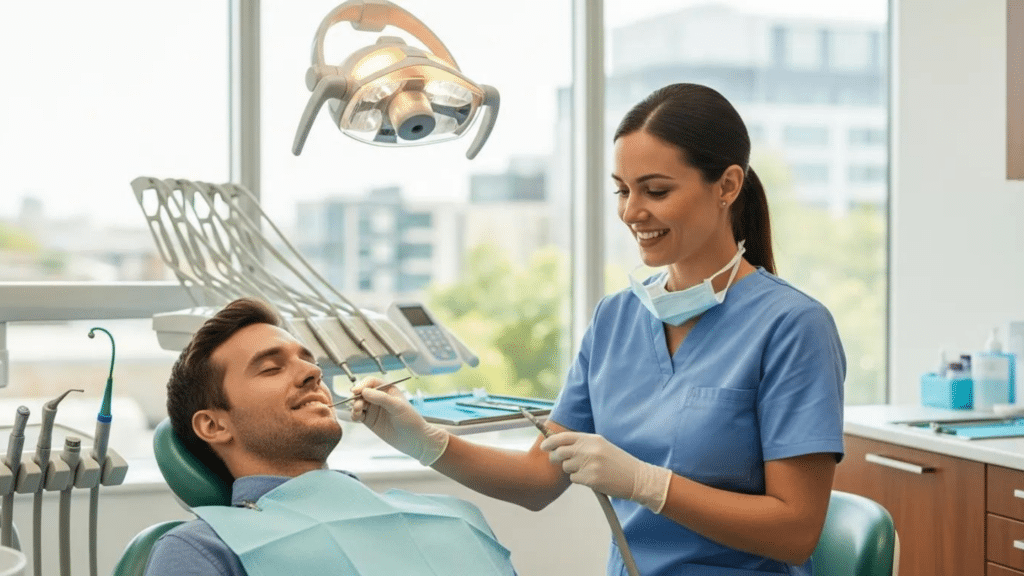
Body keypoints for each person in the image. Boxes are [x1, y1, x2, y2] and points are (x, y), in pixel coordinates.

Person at [351, 83, 846, 576]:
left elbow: (795, 532)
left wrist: (649, 484)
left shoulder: (793, 327)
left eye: (656, 191)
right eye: (623, 190)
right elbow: (537, 479)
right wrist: (424, 440)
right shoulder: (616, 319)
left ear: (727, 186)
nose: (631, 212)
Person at [144, 298, 515, 576]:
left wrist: (430, 441)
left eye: (310, 361)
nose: (313, 372)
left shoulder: (455, 516)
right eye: (271, 368)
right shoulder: (204, 550)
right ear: (214, 426)